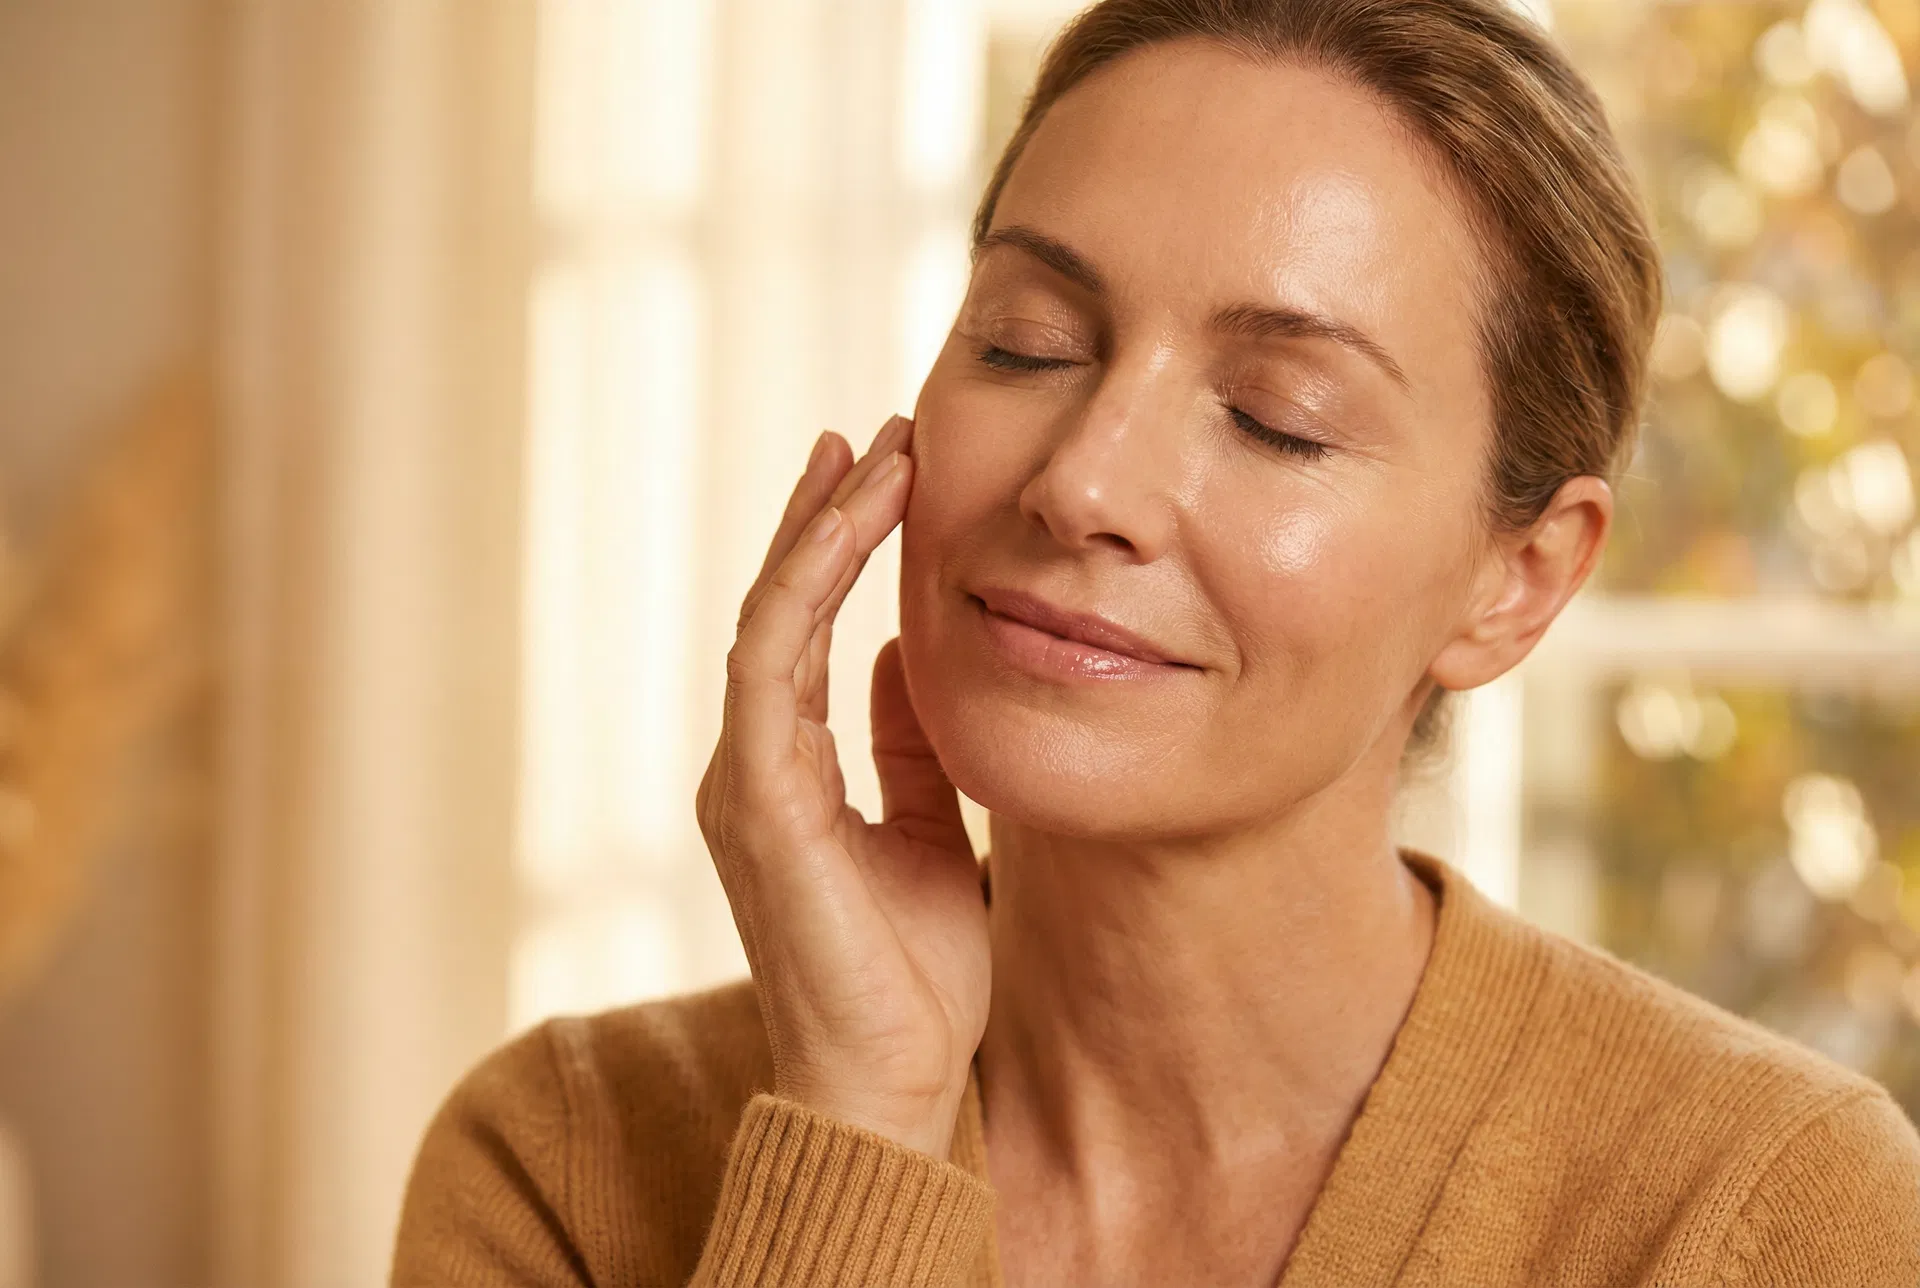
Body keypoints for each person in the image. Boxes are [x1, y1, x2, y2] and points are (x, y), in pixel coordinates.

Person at [392, 1, 1920, 1284]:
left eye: (1278, 419)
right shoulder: (565, 1163)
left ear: (1515, 581)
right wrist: (863, 1124)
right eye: (1026, 343)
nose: (1082, 483)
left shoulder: (1763, 1218)